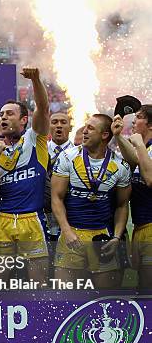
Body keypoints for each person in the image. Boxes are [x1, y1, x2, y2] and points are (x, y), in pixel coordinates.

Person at [0, 67, 50, 286]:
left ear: (24, 120)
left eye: (9, 113)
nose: (3, 117)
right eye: (1, 114)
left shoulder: (34, 139)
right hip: (3, 220)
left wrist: (36, 80)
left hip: (32, 219)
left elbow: (43, 108)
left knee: (37, 284)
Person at [51, 114, 131, 288]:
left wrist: (117, 237)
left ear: (104, 135)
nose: (84, 131)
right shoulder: (67, 157)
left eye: (91, 128)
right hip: (71, 235)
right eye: (85, 126)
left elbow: (122, 205)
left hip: (102, 238)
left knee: (105, 300)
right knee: (66, 300)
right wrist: (67, 231)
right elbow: (56, 197)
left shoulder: (120, 166)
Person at [113, 104, 152, 288]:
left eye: (139, 117)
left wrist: (138, 144)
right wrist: (118, 136)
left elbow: (150, 179)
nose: (134, 121)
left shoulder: (146, 148)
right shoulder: (145, 149)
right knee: (140, 282)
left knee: (147, 286)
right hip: (140, 224)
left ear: (150, 124)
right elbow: (134, 160)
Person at [44, 112, 75, 269]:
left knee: (67, 267)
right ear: (48, 126)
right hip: (42, 217)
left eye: (63, 122)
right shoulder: (39, 152)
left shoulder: (78, 154)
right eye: (54, 122)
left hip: (69, 216)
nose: (58, 125)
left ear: (70, 127)